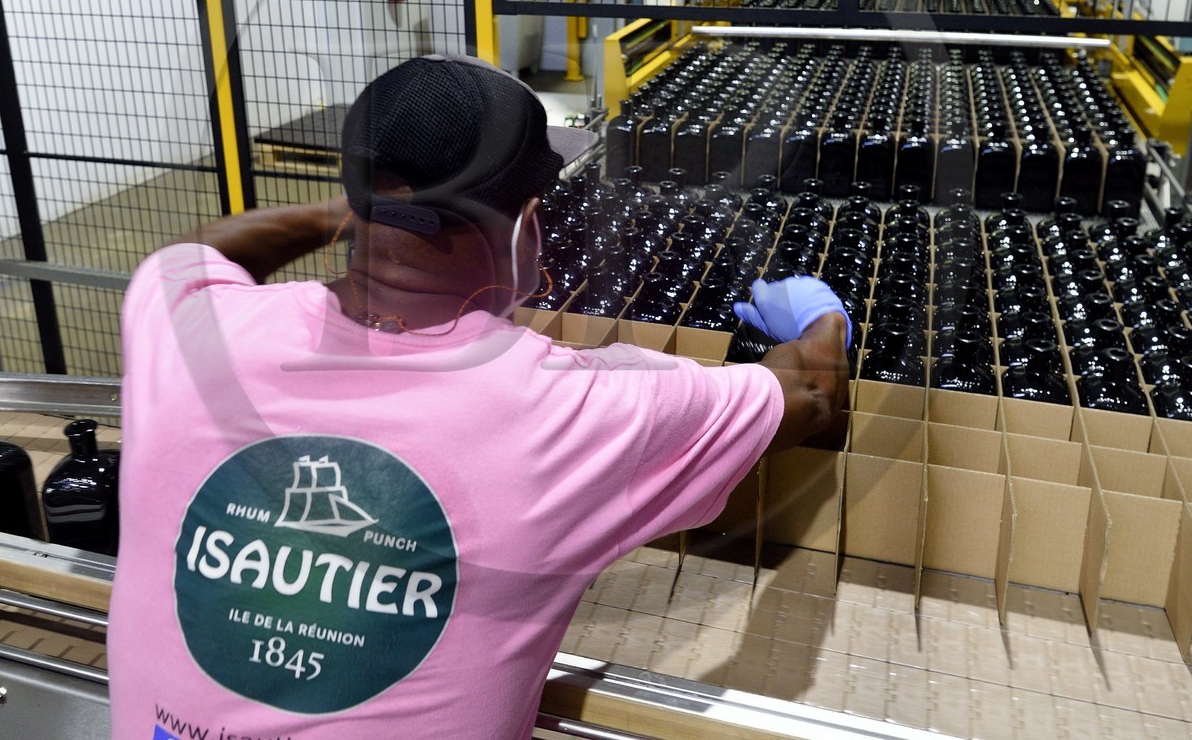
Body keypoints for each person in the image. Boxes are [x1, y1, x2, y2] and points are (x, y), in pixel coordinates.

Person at [108, 53, 850, 740]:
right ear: (528, 224)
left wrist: (370, 206)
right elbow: (816, 396)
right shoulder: (571, 410)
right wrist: (820, 318)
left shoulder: (186, 330)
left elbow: (205, 250)